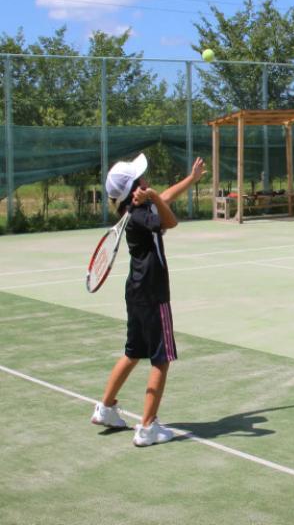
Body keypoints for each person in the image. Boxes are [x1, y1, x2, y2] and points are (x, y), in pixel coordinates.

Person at [91, 153, 205, 446]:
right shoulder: (142, 216)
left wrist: (191, 180)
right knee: (161, 358)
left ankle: (105, 408)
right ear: (136, 187)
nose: (146, 179)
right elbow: (171, 219)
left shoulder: (132, 211)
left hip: (136, 291)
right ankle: (148, 427)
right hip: (154, 291)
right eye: (142, 178)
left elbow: (163, 199)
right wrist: (153, 195)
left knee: (132, 352)